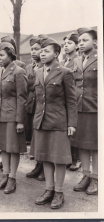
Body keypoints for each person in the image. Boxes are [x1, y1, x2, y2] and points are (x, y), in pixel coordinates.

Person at [33, 38, 77, 209]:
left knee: (58, 159)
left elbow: (71, 101)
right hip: (41, 121)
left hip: (59, 121)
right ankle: (48, 189)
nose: (42, 54)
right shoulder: (38, 72)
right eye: (41, 51)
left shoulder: (65, 72)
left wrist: (71, 123)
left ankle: (59, 192)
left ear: (56, 54)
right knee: (45, 156)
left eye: (46, 51)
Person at [0, 41, 27, 194]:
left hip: (12, 116)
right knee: (3, 147)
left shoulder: (18, 71)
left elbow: (22, 98)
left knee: (13, 148)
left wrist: (20, 121)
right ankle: (5, 175)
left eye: (1, 55)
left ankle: (12, 178)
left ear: (10, 55)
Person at [71, 28, 98, 195]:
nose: (81, 43)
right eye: (79, 41)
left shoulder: (99, 59)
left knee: (95, 146)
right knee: (81, 143)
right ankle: (86, 175)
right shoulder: (76, 61)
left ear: (95, 42)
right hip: (78, 108)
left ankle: (96, 177)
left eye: (85, 40)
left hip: (94, 108)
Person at [25, 35, 47, 181]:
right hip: (31, 104)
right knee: (36, 137)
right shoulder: (28, 67)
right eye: (32, 49)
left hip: (43, 105)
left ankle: (45, 167)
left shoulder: (46, 67)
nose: (33, 52)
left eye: (37, 49)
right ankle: (38, 164)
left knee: (44, 137)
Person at [61, 32, 81, 171]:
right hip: (64, 98)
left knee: (75, 127)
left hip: (76, 97)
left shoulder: (78, 60)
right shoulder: (63, 62)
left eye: (69, 43)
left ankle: (77, 158)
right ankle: (69, 156)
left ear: (77, 45)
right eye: (65, 43)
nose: (66, 46)